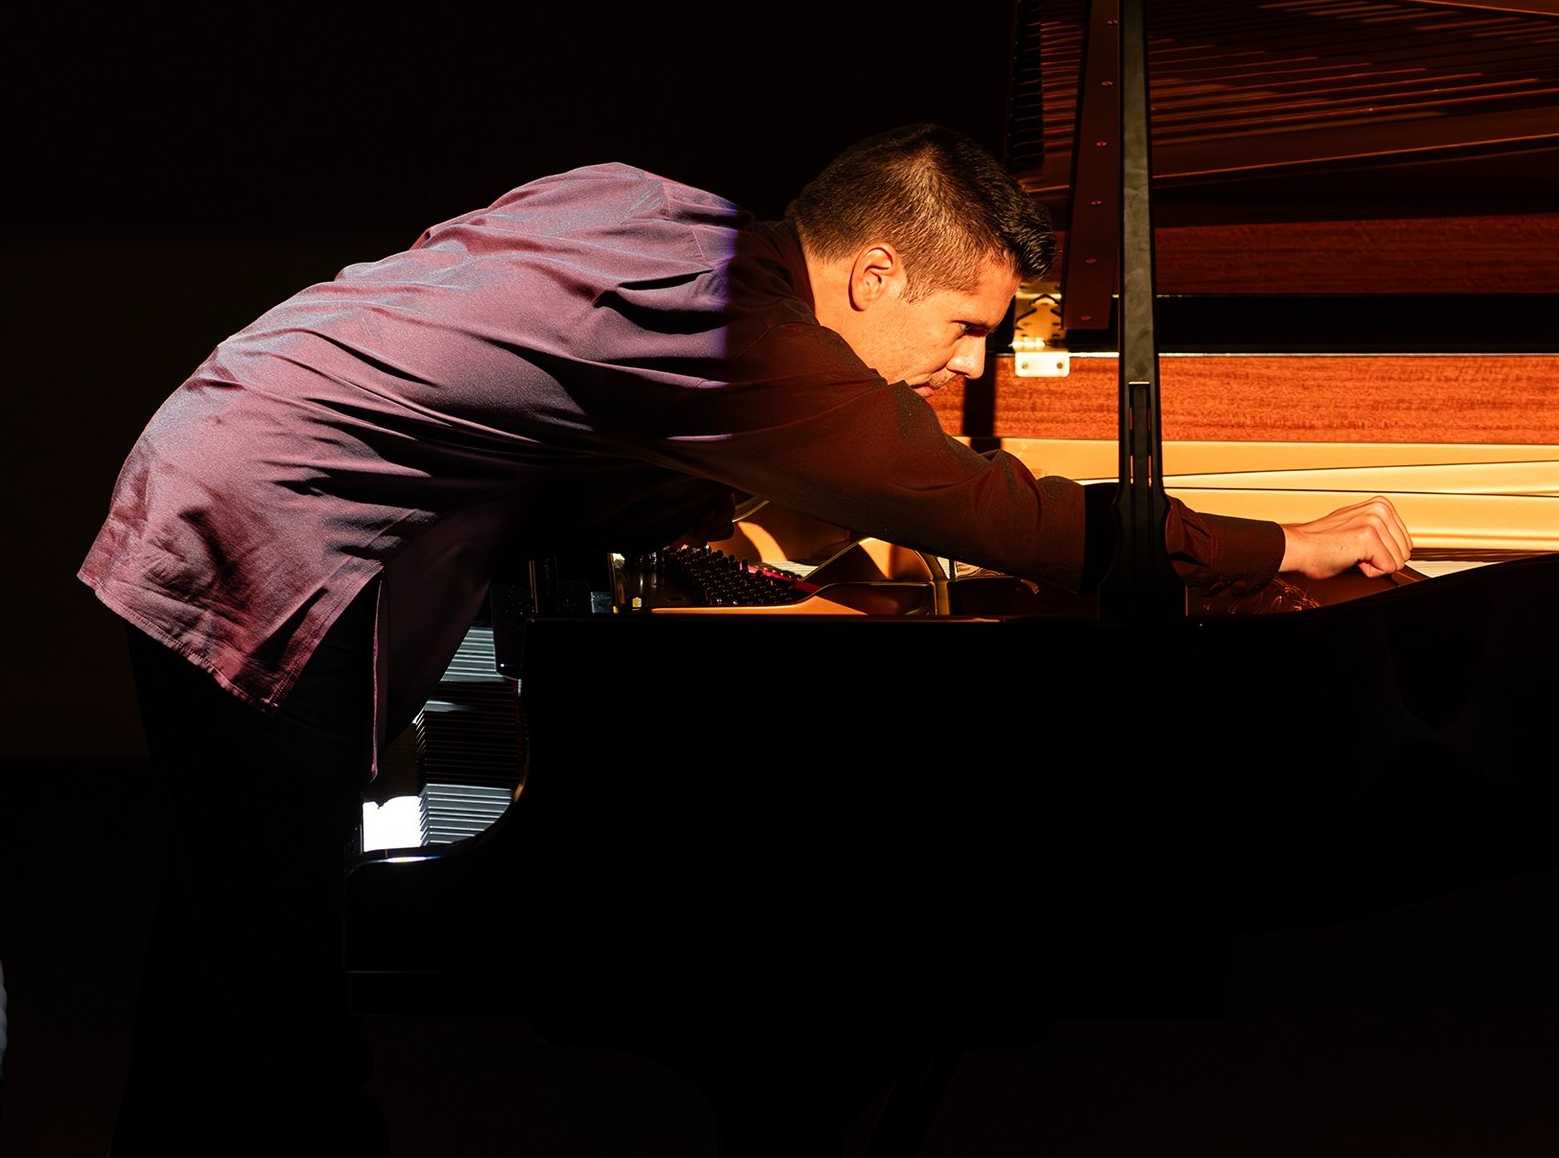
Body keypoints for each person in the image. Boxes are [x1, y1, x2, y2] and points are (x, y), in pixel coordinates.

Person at [79, 122, 1410, 1155]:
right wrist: (1279, 548)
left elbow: (548, 404)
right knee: (283, 1003)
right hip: (269, 531)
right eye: (963, 327)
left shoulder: (652, 210)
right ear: (874, 273)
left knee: (226, 941)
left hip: (230, 460)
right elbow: (989, 511)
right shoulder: (745, 334)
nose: (967, 365)